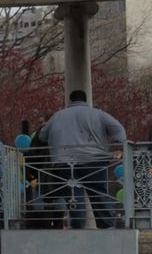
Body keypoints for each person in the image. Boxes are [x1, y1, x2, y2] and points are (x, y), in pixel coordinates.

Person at [35, 89, 127, 228]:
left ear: (70, 101)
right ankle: (107, 225)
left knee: (73, 197)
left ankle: (78, 226)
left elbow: (42, 136)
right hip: (94, 162)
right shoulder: (98, 114)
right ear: (86, 100)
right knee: (99, 194)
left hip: (65, 163)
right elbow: (119, 130)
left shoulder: (57, 116)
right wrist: (119, 147)